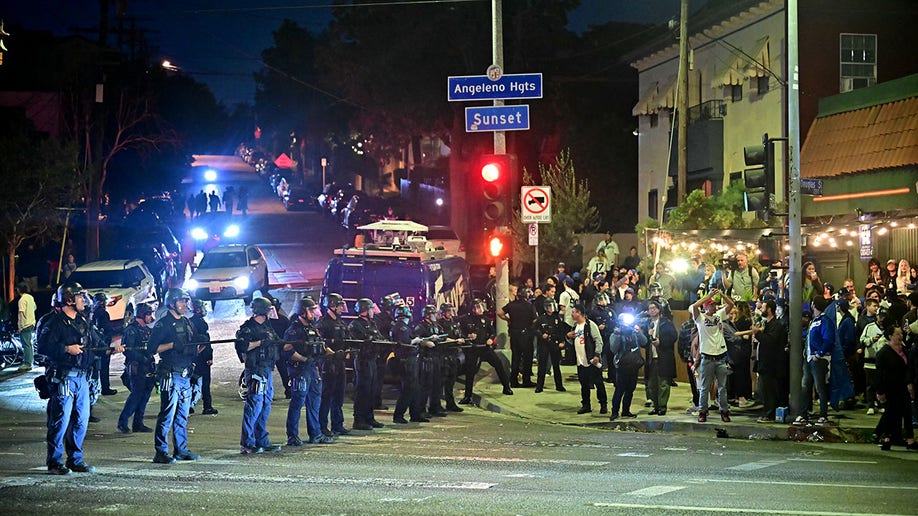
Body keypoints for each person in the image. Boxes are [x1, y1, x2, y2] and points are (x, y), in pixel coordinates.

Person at [38, 284, 109, 475]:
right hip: (63, 378)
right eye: (79, 297)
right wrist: (65, 348)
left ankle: (75, 459)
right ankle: (54, 462)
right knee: (59, 421)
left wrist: (109, 349)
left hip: (82, 379)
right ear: (69, 300)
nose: (83, 300)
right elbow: (43, 347)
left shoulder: (82, 320)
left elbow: (97, 343)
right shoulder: (54, 322)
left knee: (81, 420)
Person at [148, 288, 201, 464]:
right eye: (181, 301)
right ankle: (161, 451)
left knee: (182, 415)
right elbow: (152, 349)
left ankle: (181, 449)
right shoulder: (163, 324)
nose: (184, 304)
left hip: (185, 374)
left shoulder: (187, 322)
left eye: (186, 301)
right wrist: (172, 344)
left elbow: (191, 345)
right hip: (170, 374)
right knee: (167, 414)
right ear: (172, 303)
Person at [235, 297, 284, 454]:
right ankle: (247, 442)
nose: (271, 312)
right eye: (269, 309)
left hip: (267, 369)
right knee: (254, 405)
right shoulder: (248, 328)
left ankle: (262, 439)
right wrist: (260, 343)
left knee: (265, 405)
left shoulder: (268, 327)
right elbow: (242, 346)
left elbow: (277, 342)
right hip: (255, 370)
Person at [283, 297, 334, 445]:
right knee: (297, 403)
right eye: (311, 310)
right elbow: (287, 350)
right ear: (303, 311)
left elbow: (322, 347)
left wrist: (336, 355)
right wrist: (304, 359)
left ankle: (316, 434)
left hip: (312, 369)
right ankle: (292, 436)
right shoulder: (294, 330)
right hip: (300, 370)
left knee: (314, 403)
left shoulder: (313, 329)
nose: (314, 313)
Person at [691, 288, 735, 423]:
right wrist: (707, 296)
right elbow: (694, 306)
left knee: (722, 388)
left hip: (720, 356)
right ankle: (703, 411)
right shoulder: (700, 318)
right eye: (711, 304)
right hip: (707, 357)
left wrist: (721, 294)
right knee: (704, 387)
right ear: (706, 307)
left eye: (714, 304)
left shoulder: (719, 316)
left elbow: (731, 305)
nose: (714, 306)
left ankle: (724, 411)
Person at [459, 299, 513, 404]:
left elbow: (492, 332)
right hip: (473, 348)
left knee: (498, 364)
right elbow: (460, 333)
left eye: (480, 307)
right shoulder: (465, 320)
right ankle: (467, 396)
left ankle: (506, 387)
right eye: (477, 307)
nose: (479, 309)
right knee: (470, 372)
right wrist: (468, 336)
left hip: (485, 348)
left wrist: (491, 339)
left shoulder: (486, 319)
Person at [792, 296, 834, 427]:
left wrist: (819, 354)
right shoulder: (816, 321)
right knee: (806, 387)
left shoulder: (824, 321)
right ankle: (804, 415)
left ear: (813, 305)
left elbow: (828, 339)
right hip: (810, 358)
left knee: (819, 388)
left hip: (818, 359)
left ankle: (823, 415)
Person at [875, 326, 916, 451]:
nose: (900, 336)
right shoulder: (884, 353)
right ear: (890, 336)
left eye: (900, 334)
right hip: (890, 387)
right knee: (890, 413)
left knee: (907, 412)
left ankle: (910, 440)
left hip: (903, 386)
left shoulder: (904, 349)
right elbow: (879, 374)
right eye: (897, 334)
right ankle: (887, 438)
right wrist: (880, 391)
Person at [118, 303, 156, 434]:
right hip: (136, 368)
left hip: (148, 367)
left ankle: (138, 423)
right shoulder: (131, 330)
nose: (151, 317)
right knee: (135, 396)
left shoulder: (147, 330)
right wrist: (142, 359)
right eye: (149, 314)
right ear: (142, 314)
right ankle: (122, 422)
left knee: (144, 397)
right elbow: (128, 351)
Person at [348, 298, 386, 430]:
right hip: (362, 360)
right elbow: (356, 342)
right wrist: (368, 341)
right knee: (362, 390)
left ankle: (369, 418)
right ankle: (359, 420)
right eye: (371, 309)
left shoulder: (372, 323)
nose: (373, 311)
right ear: (364, 310)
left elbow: (380, 338)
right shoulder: (355, 325)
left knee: (371, 389)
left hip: (373, 359)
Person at [317, 293, 350, 437]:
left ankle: (337, 424)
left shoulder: (341, 323)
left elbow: (348, 339)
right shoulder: (323, 323)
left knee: (339, 395)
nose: (342, 308)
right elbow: (320, 343)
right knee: (327, 396)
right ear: (332, 306)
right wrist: (331, 353)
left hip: (340, 362)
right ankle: (322, 426)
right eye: (340, 305)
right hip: (328, 363)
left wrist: (348, 351)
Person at [751, 299, 786, 423]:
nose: (761, 309)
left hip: (771, 364)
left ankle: (770, 414)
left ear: (769, 309)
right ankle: (767, 412)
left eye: (763, 307)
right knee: (765, 390)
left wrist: (757, 334)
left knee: (770, 391)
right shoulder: (768, 324)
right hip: (765, 363)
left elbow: (770, 341)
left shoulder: (776, 325)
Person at [568, 303, 607, 414]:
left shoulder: (590, 325)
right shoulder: (575, 326)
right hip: (580, 361)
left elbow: (598, 340)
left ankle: (603, 404)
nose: (572, 314)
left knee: (598, 383)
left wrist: (596, 354)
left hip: (591, 360)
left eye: (574, 311)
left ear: (579, 313)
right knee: (584, 384)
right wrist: (568, 337)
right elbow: (572, 341)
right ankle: (586, 405)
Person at [391, 305, 426, 424]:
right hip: (406, 360)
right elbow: (406, 344)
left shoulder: (402, 326)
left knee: (415, 388)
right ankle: (398, 415)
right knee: (408, 389)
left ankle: (415, 414)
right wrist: (415, 341)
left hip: (410, 360)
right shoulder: (401, 328)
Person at [498, 287, 538, 387]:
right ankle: (526, 380)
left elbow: (500, 313)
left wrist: (508, 320)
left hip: (514, 334)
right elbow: (535, 320)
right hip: (527, 334)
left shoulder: (511, 305)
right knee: (527, 358)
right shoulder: (530, 306)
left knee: (516, 357)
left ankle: (514, 381)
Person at [645, 299, 677, 416]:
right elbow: (644, 342)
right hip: (651, 358)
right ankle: (656, 406)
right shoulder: (647, 323)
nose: (652, 310)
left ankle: (662, 406)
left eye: (654, 308)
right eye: (650, 308)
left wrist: (661, 342)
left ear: (659, 309)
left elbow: (674, 337)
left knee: (663, 384)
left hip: (663, 357)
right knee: (652, 385)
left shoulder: (666, 322)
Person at [414, 304, 446, 418]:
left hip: (436, 356)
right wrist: (425, 342)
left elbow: (442, 336)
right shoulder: (421, 326)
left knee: (437, 384)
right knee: (425, 385)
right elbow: (416, 339)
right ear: (427, 315)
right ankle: (421, 408)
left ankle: (435, 407)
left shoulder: (436, 325)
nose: (435, 316)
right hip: (426, 358)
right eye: (433, 314)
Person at [189, 299, 217, 416]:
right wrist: (208, 356)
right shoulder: (199, 323)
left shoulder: (191, 322)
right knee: (203, 383)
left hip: (196, 356)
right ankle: (207, 406)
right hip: (201, 357)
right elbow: (205, 342)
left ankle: (190, 405)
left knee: (193, 382)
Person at [437, 303, 465, 412]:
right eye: (448, 311)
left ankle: (450, 403)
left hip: (454, 354)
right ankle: (437, 404)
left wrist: (461, 339)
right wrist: (454, 341)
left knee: (451, 381)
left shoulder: (454, 323)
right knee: (441, 381)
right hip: (443, 354)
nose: (450, 313)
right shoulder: (439, 324)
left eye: (450, 311)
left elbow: (458, 334)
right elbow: (442, 338)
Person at [534, 298, 566, 393]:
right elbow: (534, 329)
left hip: (554, 343)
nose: (551, 309)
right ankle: (539, 386)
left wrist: (561, 341)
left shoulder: (556, 318)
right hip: (544, 344)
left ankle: (559, 385)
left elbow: (560, 331)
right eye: (549, 306)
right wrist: (541, 335)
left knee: (556, 365)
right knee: (542, 365)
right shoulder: (541, 318)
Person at [859, 304, 886, 415]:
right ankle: (871, 405)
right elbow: (862, 339)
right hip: (870, 359)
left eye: (884, 316)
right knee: (870, 384)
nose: (882, 318)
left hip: (883, 361)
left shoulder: (888, 328)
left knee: (881, 384)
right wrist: (871, 340)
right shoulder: (869, 327)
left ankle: (880, 404)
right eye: (880, 316)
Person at [90, 293, 118, 396]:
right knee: (104, 367)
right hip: (103, 344)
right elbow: (106, 329)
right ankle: (105, 388)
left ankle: (94, 387)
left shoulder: (92, 312)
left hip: (95, 345)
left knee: (96, 367)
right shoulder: (103, 313)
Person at [589, 291, 617, 383]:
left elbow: (615, 323)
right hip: (598, 338)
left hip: (609, 336)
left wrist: (608, 326)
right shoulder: (593, 312)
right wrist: (597, 327)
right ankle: (596, 378)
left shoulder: (611, 311)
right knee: (597, 357)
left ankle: (611, 377)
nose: (603, 301)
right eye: (601, 300)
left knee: (611, 357)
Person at [557, 278, 581, 365]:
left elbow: (562, 308)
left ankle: (569, 359)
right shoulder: (576, 294)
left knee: (567, 339)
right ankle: (574, 358)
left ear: (564, 283)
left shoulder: (564, 294)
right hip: (575, 318)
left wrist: (561, 319)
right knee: (575, 339)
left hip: (567, 318)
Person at [16, 282, 37, 371]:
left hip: (25, 324)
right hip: (32, 323)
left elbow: (21, 313)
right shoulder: (30, 297)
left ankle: (27, 364)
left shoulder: (22, 300)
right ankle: (30, 361)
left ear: (19, 289)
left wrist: (20, 326)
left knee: (26, 345)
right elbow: (35, 307)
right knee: (30, 344)